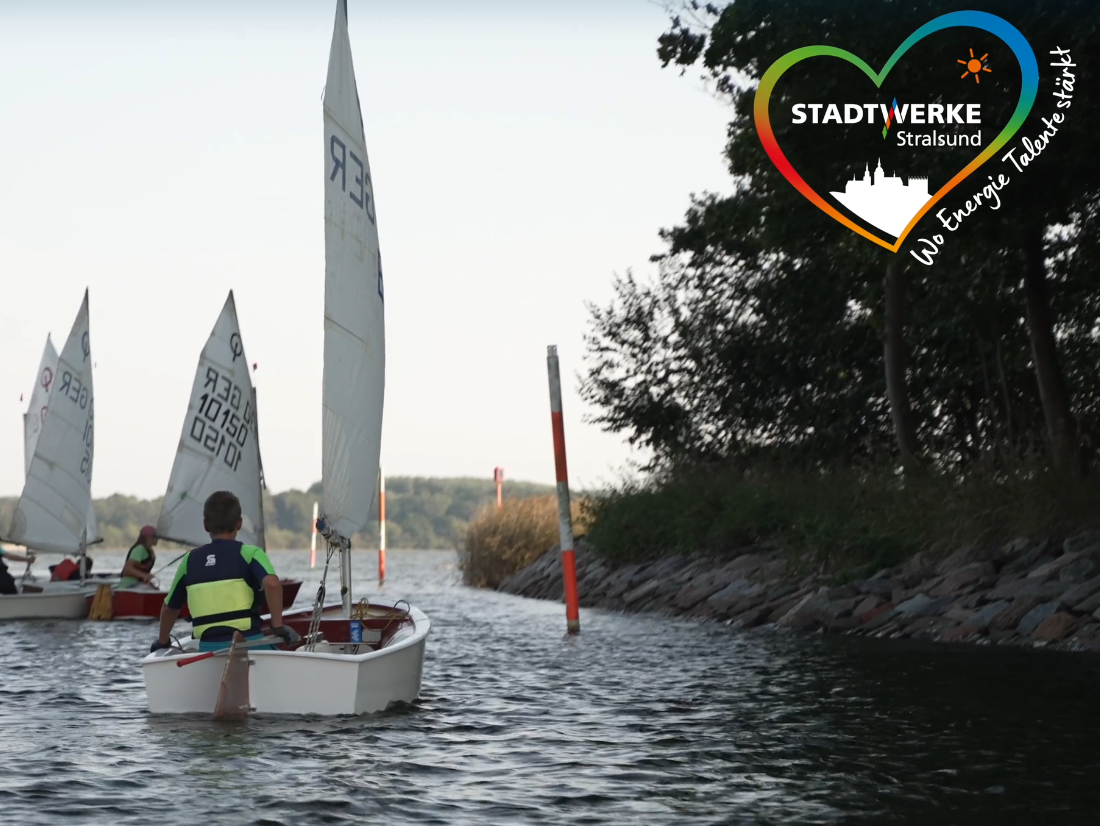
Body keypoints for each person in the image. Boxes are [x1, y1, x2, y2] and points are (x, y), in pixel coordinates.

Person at [150, 490, 300, 653]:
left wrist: (163, 641)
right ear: (239, 523)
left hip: (208, 649)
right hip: (249, 645)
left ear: (206, 525)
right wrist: (277, 626)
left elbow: (169, 607)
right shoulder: (250, 553)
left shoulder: (189, 560)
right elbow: (272, 584)